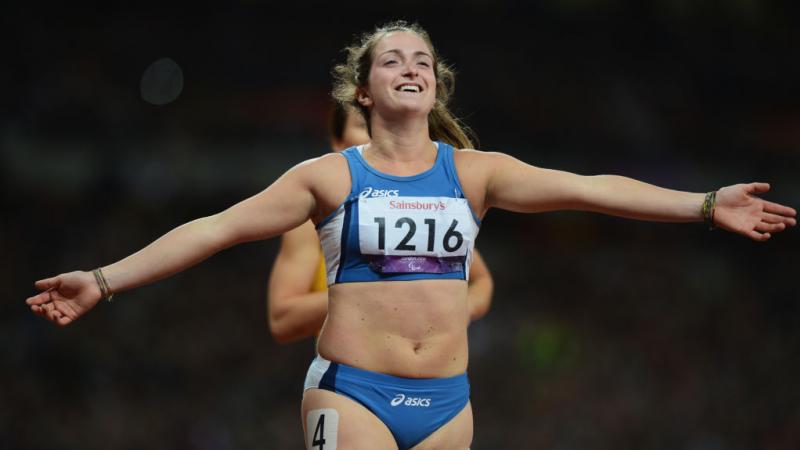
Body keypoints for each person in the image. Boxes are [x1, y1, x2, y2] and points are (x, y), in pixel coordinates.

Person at [26, 20, 796, 450]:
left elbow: (592, 190)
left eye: (423, 60)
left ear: (435, 88)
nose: (411, 66)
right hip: (353, 394)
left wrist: (702, 204)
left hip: (448, 404)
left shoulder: (475, 174)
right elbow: (215, 229)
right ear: (365, 89)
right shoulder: (327, 179)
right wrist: (102, 279)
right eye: (393, 58)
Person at [267, 103, 494, 344]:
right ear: (337, 142)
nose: (381, 136)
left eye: (391, 126)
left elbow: (481, 281)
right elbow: (282, 320)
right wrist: (370, 292)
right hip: (349, 375)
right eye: (365, 126)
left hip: (436, 374)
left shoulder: (422, 206)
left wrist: (464, 309)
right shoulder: (311, 221)